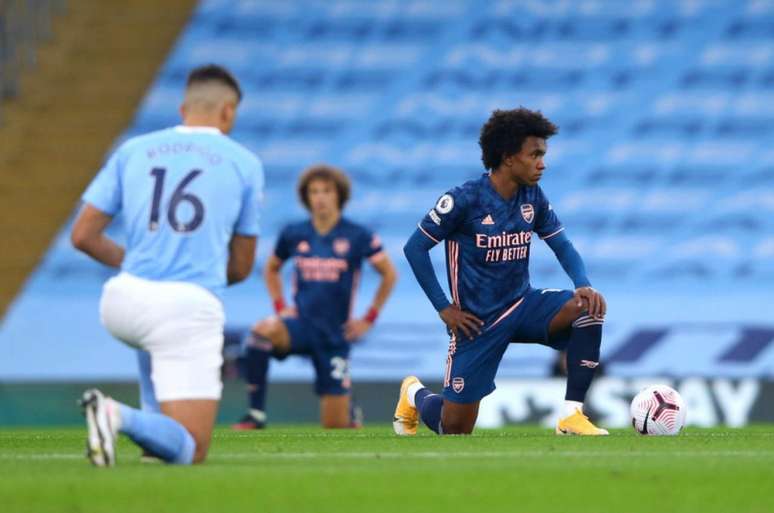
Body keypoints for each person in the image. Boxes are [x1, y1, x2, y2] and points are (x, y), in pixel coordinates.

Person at [70, 64, 264, 466]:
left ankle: (147, 441)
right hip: (184, 306)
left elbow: (83, 236)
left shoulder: (133, 150)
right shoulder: (244, 162)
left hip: (123, 299)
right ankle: (113, 414)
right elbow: (242, 267)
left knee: (162, 415)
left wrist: (140, 262)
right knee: (192, 448)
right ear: (228, 112)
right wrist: (199, 269)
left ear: (183, 108)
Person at [394, 107, 608, 436]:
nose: (542, 163)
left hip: (522, 304)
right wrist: (444, 308)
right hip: (476, 323)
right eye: (534, 154)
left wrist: (583, 284)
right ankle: (413, 392)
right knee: (454, 429)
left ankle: (571, 416)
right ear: (509, 157)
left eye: (543, 154)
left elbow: (562, 245)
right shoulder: (463, 200)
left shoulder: (532, 196)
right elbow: (414, 248)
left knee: (588, 308)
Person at [232, 164, 397, 430]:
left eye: (326, 191)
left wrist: (368, 318)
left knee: (336, 425)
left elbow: (389, 274)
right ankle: (255, 414)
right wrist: (280, 306)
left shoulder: (358, 235)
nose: (320, 197)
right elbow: (271, 268)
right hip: (300, 324)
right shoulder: (294, 233)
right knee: (260, 333)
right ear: (306, 197)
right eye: (314, 191)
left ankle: (348, 406)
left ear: (339, 195)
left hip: (334, 334)